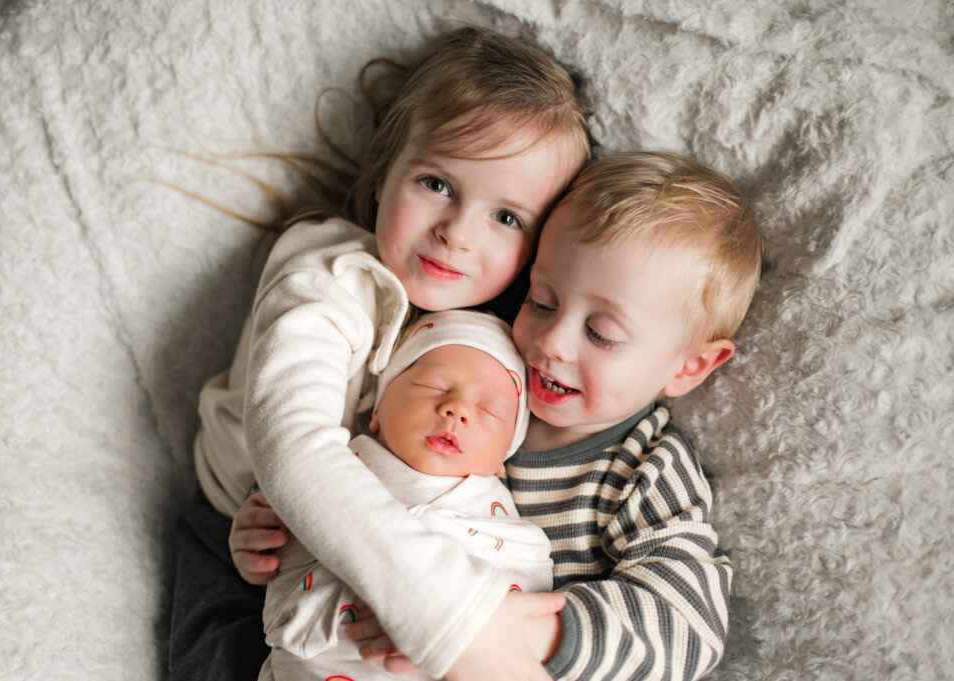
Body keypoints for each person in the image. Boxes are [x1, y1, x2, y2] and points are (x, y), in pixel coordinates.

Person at [236, 151, 762, 680]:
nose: (552, 342)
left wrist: (535, 633)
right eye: (542, 301)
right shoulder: (471, 370)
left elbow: (689, 624)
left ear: (691, 366)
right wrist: (272, 536)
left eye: (601, 333)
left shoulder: (642, 469)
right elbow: (352, 491)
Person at [168, 25, 592, 681]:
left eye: (506, 217)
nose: (456, 233)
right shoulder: (327, 276)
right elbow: (294, 447)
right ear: (388, 163)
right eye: (436, 183)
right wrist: (446, 610)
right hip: (247, 539)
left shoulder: (498, 332)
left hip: (380, 561)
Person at [259, 309, 554, 681]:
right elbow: (292, 524)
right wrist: (255, 541)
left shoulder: (505, 528)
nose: (457, 409)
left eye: (487, 409)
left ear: (502, 461)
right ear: (378, 409)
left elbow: (520, 611)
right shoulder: (334, 466)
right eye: (433, 385)